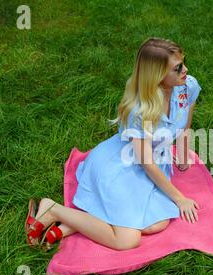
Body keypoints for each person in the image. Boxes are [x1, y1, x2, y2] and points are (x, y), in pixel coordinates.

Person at [25, 38, 202, 251]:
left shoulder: (187, 87)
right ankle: (52, 209)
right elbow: (145, 163)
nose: (186, 70)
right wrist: (180, 198)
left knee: (159, 222)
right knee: (127, 240)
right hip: (124, 164)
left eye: (183, 63)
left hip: (154, 164)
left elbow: (185, 125)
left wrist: (182, 155)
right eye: (178, 68)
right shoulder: (140, 109)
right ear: (157, 75)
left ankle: (68, 227)